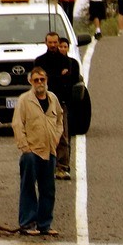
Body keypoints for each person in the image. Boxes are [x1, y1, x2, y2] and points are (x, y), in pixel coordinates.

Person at [14, 66, 63, 237]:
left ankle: (45, 224)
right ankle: (27, 223)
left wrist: (56, 138)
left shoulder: (52, 98)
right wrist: (25, 148)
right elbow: (17, 124)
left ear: (46, 80)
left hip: (49, 151)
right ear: (30, 82)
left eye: (42, 79)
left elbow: (59, 120)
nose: (40, 83)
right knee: (28, 187)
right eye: (36, 80)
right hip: (31, 152)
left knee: (48, 189)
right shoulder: (24, 101)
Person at [33, 31, 81, 180]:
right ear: (45, 43)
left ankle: (63, 167)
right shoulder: (39, 61)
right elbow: (39, 80)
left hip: (61, 103)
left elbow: (71, 80)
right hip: (42, 103)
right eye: (50, 42)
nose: (53, 45)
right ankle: (45, 167)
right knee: (42, 135)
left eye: (55, 43)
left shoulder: (68, 62)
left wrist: (57, 78)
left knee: (63, 136)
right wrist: (59, 76)